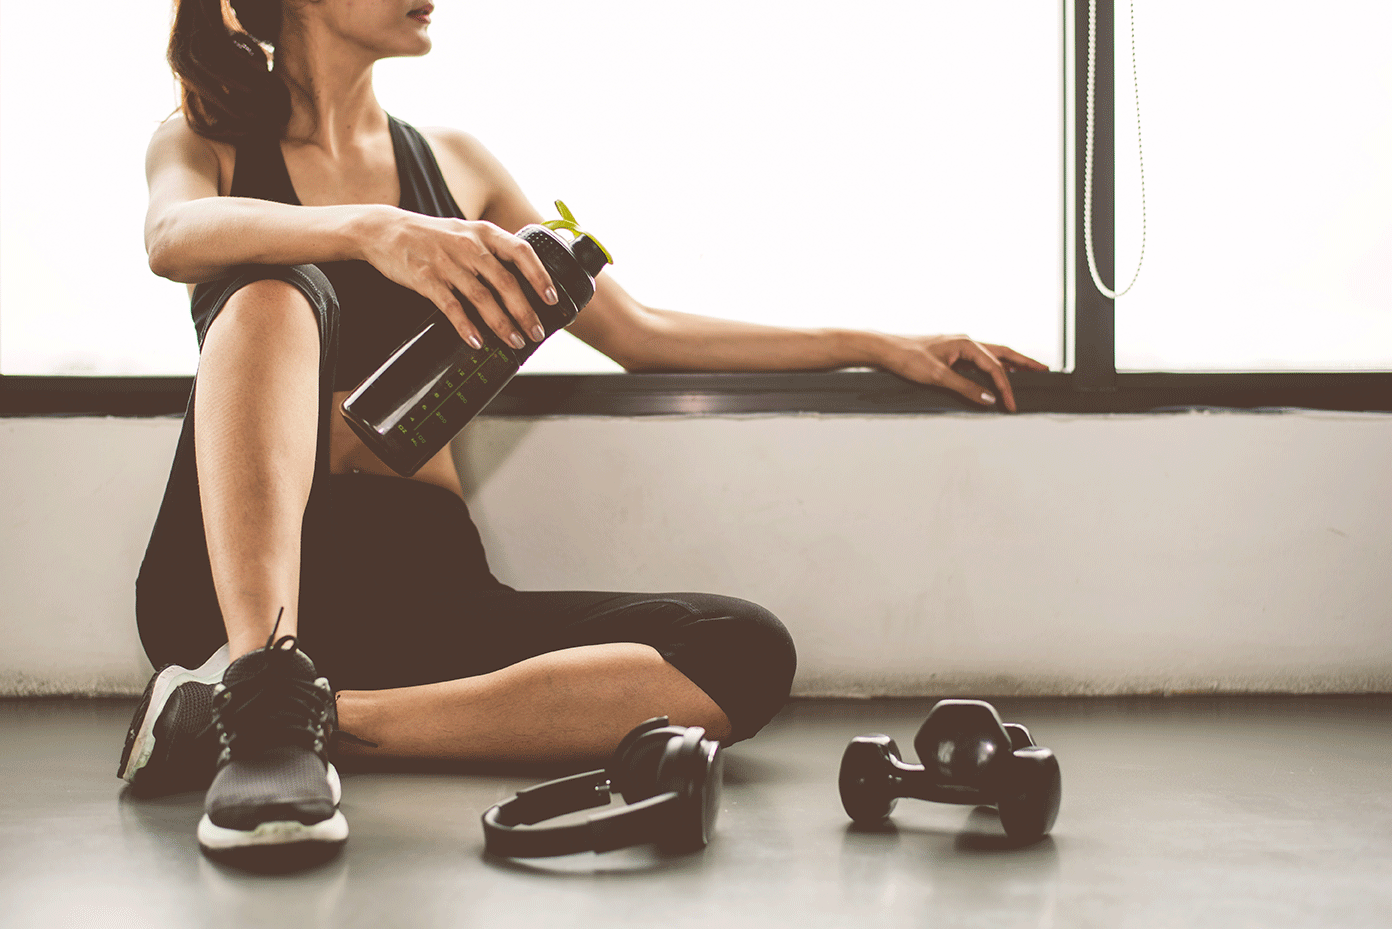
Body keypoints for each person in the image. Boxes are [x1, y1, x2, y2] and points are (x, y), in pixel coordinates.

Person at [119, 0, 1047, 868]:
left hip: (419, 592)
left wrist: (876, 344)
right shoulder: (204, 141)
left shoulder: (458, 162)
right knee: (274, 290)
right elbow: (171, 234)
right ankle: (256, 673)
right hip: (228, 592)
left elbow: (639, 333)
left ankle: (273, 720)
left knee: (743, 648)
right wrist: (369, 231)